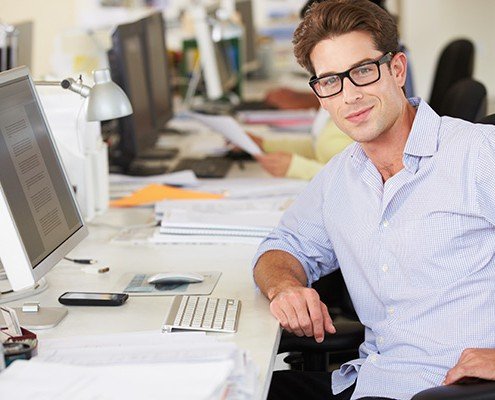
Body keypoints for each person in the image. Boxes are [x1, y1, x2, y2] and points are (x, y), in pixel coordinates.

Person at [252, 1, 495, 400]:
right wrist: (284, 288)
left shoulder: (479, 155)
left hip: (450, 390)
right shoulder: (339, 177)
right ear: (320, 95)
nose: (350, 95)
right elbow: (281, 247)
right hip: (369, 379)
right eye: (330, 81)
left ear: (397, 70)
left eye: (363, 71)